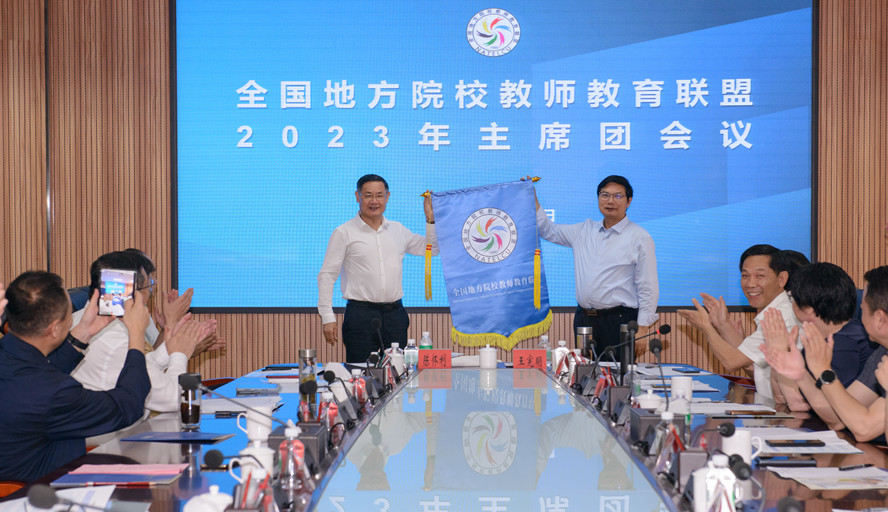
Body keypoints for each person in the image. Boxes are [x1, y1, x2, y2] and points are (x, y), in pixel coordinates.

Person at [0, 271, 150, 482]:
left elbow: (34, 376)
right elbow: (128, 405)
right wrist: (136, 332)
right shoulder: (56, 393)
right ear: (54, 328)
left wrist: (84, 332)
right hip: (42, 492)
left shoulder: (12, 359)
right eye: (70, 313)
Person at [535, 175, 658, 361]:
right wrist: (532, 198)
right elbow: (547, 230)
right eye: (605, 195)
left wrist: (643, 327)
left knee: (617, 375)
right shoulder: (583, 230)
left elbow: (648, 286)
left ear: (629, 201)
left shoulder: (639, 237)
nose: (610, 201)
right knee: (584, 374)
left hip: (618, 321)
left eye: (617, 196)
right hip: (584, 319)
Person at [71, 251, 211, 413]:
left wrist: (169, 349)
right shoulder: (114, 341)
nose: (149, 296)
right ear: (131, 294)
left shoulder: (84, 320)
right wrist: (180, 354)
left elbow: (136, 368)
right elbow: (173, 400)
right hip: (119, 428)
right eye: (148, 288)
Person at [318, 174, 437, 363]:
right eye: (368, 195)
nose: (374, 201)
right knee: (360, 373)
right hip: (360, 316)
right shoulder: (344, 232)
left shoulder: (398, 230)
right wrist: (327, 316)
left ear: (387, 197)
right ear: (357, 196)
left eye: (379, 195)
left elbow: (432, 249)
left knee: (397, 373)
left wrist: (430, 220)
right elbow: (327, 275)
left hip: (395, 316)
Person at [763, 266, 888, 441]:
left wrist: (822, 370)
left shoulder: (846, 342)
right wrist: (802, 373)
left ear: (880, 318)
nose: (859, 307)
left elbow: (854, 427)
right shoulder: (882, 353)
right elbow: (849, 421)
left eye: (864, 305)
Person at [677, 245, 798, 399]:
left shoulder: (781, 314)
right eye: (745, 275)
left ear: (782, 279)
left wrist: (706, 327)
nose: (750, 284)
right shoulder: (777, 308)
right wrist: (722, 325)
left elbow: (732, 362)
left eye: (760, 276)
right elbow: (751, 366)